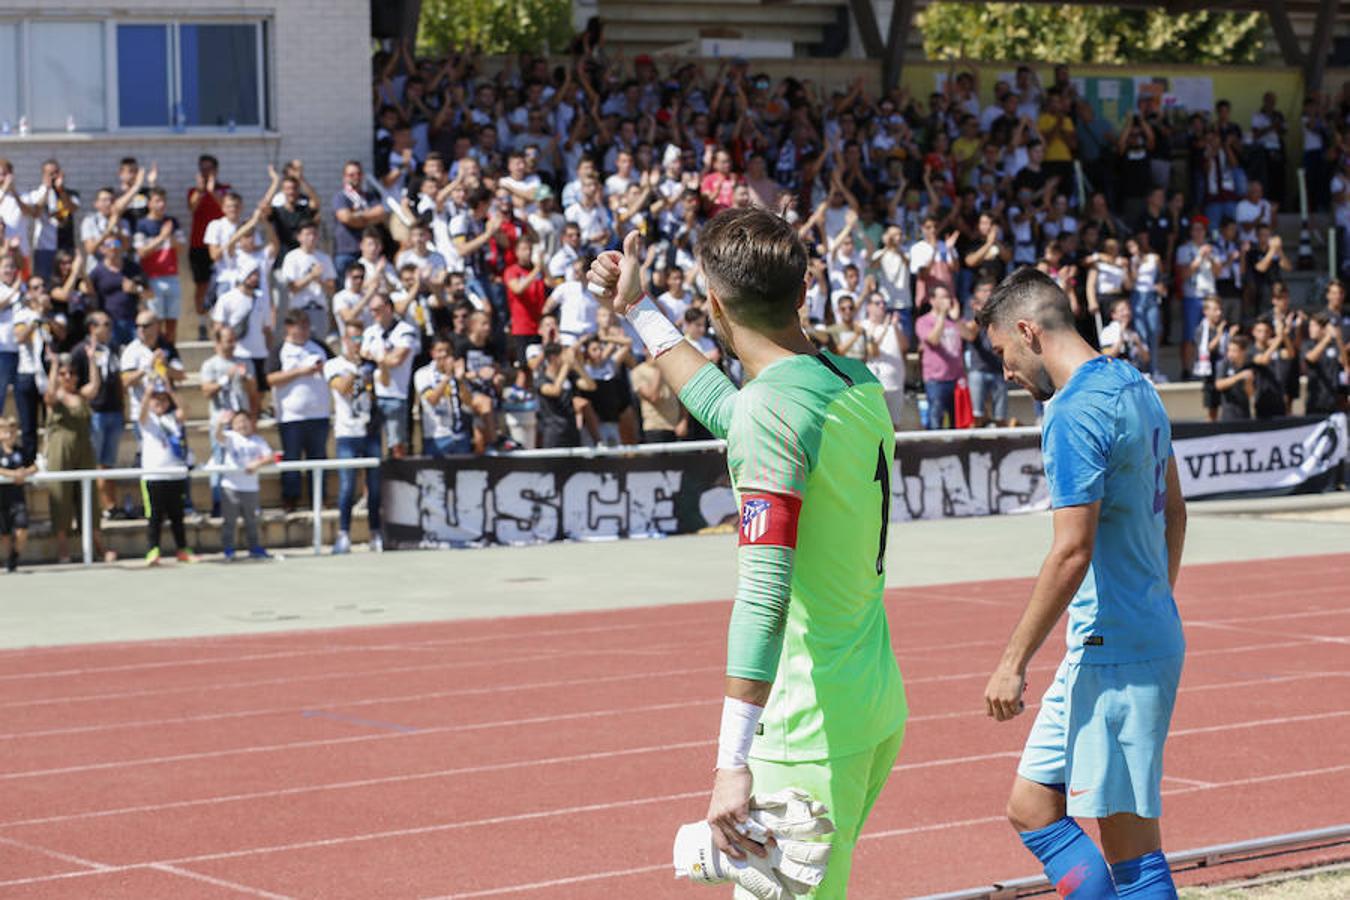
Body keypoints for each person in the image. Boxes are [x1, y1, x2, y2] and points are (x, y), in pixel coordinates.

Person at [588, 211, 906, 897]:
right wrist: (640, 310)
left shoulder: (771, 412)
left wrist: (731, 762)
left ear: (713, 302)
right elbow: (733, 410)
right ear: (802, 292)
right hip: (869, 699)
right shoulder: (850, 379)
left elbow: (763, 599)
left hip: (805, 723)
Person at [978, 266, 1187, 900]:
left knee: (1132, 853)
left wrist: (1012, 662)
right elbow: (1175, 511)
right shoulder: (1134, 382)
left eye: (1002, 354)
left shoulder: (1072, 411)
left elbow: (1071, 551)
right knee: (1031, 807)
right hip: (1113, 642)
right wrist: (1154, 597)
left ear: (1026, 331)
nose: (1006, 373)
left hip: (1114, 651)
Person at [44, 353, 113, 563]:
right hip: (60, 449)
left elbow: (95, 385)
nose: (67, 377)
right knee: (60, 497)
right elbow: (49, 394)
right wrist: (54, 366)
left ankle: (99, 546)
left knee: (89, 495)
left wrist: (91, 360)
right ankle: (63, 549)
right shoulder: (55, 398)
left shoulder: (81, 396)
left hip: (83, 447)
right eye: (63, 373)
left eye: (71, 373)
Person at [326, 320, 383, 554]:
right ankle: (344, 533)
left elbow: (385, 386)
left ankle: (375, 533)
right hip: (347, 433)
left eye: (360, 340)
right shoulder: (334, 365)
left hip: (369, 430)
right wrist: (358, 367)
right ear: (344, 341)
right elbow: (342, 388)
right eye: (352, 339)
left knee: (375, 487)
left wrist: (378, 365)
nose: (356, 345)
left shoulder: (372, 365)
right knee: (347, 486)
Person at [267, 312, 333, 512]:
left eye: (306, 326)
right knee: (292, 459)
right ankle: (290, 498)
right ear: (288, 327)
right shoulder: (280, 350)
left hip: (319, 415)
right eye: (299, 326)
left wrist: (325, 369)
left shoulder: (319, 346)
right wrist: (300, 372)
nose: (303, 330)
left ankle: (319, 497)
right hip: (290, 417)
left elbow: (336, 366)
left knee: (318, 458)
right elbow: (270, 379)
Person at [138, 385, 196, 566]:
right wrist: (147, 395)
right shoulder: (148, 421)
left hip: (176, 475)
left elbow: (185, 409)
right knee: (154, 516)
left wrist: (170, 391)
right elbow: (141, 414)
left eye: (163, 399)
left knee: (177, 516)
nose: (159, 403)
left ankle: (182, 549)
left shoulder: (173, 419)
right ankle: (153, 550)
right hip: (153, 476)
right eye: (156, 399)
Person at [360, 294, 421, 458]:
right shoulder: (370, 331)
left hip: (396, 395)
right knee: (371, 447)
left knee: (397, 445)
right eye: (371, 310)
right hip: (372, 395)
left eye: (377, 310)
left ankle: (399, 481)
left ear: (388, 308)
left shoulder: (406, 330)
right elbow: (363, 354)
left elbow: (397, 360)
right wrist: (383, 357)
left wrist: (378, 357)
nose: (373, 314)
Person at [215, 410, 273, 561]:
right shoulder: (231, 437)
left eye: (245, 421)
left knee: (252, 520)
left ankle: (254, 548)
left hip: (250, 487)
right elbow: (218, 436)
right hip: (230, 486)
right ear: (233, 425)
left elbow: (270, 456)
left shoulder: (258, 440)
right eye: (238, 422)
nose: (242, 425)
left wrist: (257, 463)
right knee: (229, 521)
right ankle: (228, 549)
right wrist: (220, 424)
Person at [133, 187, 185, 343]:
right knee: (156, 321)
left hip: (172, 276)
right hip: (153, 279)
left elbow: (181, 248)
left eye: (163, 201)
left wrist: (171, 237)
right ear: (149, 203)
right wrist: (162, 237)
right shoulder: (142, 225)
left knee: (172, 320)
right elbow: (141, 252)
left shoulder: (172, 222)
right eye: (157, 201)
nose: (161, 205)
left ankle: (170, 352)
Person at [960, 277, 1009, 427]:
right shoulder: (970, 309)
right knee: (976, 415)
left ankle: (1000, 446)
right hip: (978, 367)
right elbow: (969, 334)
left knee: (1001, 415)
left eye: (992, 290)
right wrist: (979, 315)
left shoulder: (1001, 309)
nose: (989, 294)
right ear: (977, 293)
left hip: (998, 368)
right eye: (985, 290)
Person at [915, 284, 965, 429]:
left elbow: (970, 335)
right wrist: (942, 315)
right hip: (935, 380)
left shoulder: (953, 320)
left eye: (948, 297)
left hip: (956, 378)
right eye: (942, 297)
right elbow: (934, 340)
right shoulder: (923, 321)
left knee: (957, 422)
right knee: (935, 420)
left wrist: (956, 319)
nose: (947, 300)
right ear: (932, 300)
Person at [415, 337, 474, 456]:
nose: (444, 354)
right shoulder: (423, 374)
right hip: (437, 436)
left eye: (447, 351)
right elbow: (432, 400)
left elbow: (468, 402)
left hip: (460, 436)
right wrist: (447, 376)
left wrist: (461, 380)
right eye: (440, 351)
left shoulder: (459, 372)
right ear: (432, 353)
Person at [0, 417, 33, 572]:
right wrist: (12, 474)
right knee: (5, 533)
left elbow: (34, 466)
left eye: (12, 432)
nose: (9, 435)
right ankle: (9, 562)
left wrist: (23, 473)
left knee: (22, 528)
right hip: (2, 500)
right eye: (5, 431)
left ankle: (14, 556)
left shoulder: (21, 451)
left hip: (17, 499)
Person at [1213, 334, 1255, 421]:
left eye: (1234, 351)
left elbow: (1250, 394)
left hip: (1245, 414)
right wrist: (1238, 376)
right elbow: (1219, 385)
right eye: (1229, 350)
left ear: (1243, 351)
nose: (1230, 354)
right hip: (1228, 415)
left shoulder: (1249, 366)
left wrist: (1249, 382)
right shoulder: (1224, 364)